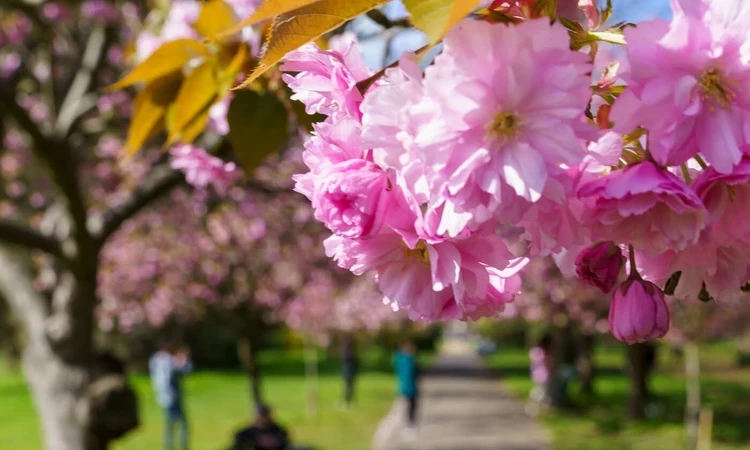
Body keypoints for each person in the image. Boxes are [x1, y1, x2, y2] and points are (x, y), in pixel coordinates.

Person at [149, 342, 193, 450]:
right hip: (172, 396)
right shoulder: (169, 360)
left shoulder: (155, 359)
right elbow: (184, 370)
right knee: (180, 423)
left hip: (162, 395)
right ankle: (178, 446)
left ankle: (170, 446)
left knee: (171, 423)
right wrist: (184, 360)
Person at [393, 340, 419, 435]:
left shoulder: (401, 359)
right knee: (410, 407)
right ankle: (409, 424)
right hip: (410, 388)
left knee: (408, 407)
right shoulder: (410, 360)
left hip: (406, 388)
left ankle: (408, 424)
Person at [526, 334, 552, 416]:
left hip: (536, 374)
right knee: (541, 392)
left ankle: (543, 408)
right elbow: (546, 363)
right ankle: (533, 406)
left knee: (541, 391)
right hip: (543, 375)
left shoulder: (534, 350)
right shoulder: (543, 352)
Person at [341, 338, 358, 409]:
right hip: (349, 373)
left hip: (348, 373)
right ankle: (348, 400)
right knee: (349, 388)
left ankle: (347, 401)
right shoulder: (351, 355)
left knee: (348, 388)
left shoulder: (348, 355)